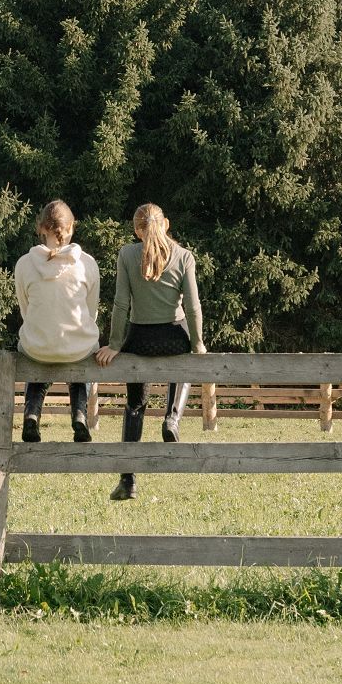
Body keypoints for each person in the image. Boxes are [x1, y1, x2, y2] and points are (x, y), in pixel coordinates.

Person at [96, 203, 205, 501]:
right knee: (184, 365)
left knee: (134, 405)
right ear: (166, 224)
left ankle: (128, 481)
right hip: (174, 336)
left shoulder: (127, 255)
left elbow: (121, 304)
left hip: (140, 338)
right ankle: (172, 418)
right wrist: (198, 344)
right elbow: (193, 307)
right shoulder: (184, 256)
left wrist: (115, 344)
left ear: (136, 230)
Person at [14, 200, 99, 444]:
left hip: (37, 346)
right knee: (81, 352)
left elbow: (26, 309)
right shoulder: (87, 263)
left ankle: (31, 413)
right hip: (78, 348)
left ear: (41, 228)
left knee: (38, 345)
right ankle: (80, 415)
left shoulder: (24, 263)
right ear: (71, 227)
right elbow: (90, 311)